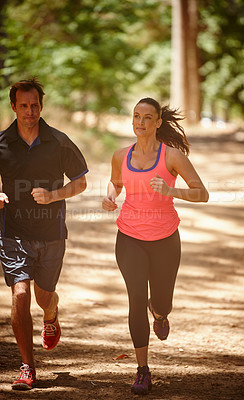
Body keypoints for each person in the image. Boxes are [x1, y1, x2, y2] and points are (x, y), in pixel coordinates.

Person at [102, 97, 209, 395]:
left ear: (158, 122)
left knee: (160, 301)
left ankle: (160, 314)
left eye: (148, 117)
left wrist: (172, 189)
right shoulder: (120, 155)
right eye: (136, 116)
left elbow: (203, 194)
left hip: (165, 240)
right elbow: (116, 183)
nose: (140, 122)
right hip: (129, 238)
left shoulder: (172, 157)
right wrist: (110, 197)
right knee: (136, 298)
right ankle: (142, 370)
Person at [0, 78, 88, 390]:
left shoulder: (59, 142)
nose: (30, 111)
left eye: (34, 105)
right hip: (13, 233)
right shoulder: (2, 143)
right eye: (23, 105)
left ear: (42, 105)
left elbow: (81, 182)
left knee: (43, 295)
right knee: (20, 295)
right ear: (13, 106)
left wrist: (53, 196)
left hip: (51, 233)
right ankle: (27, 367)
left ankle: (51, 315)